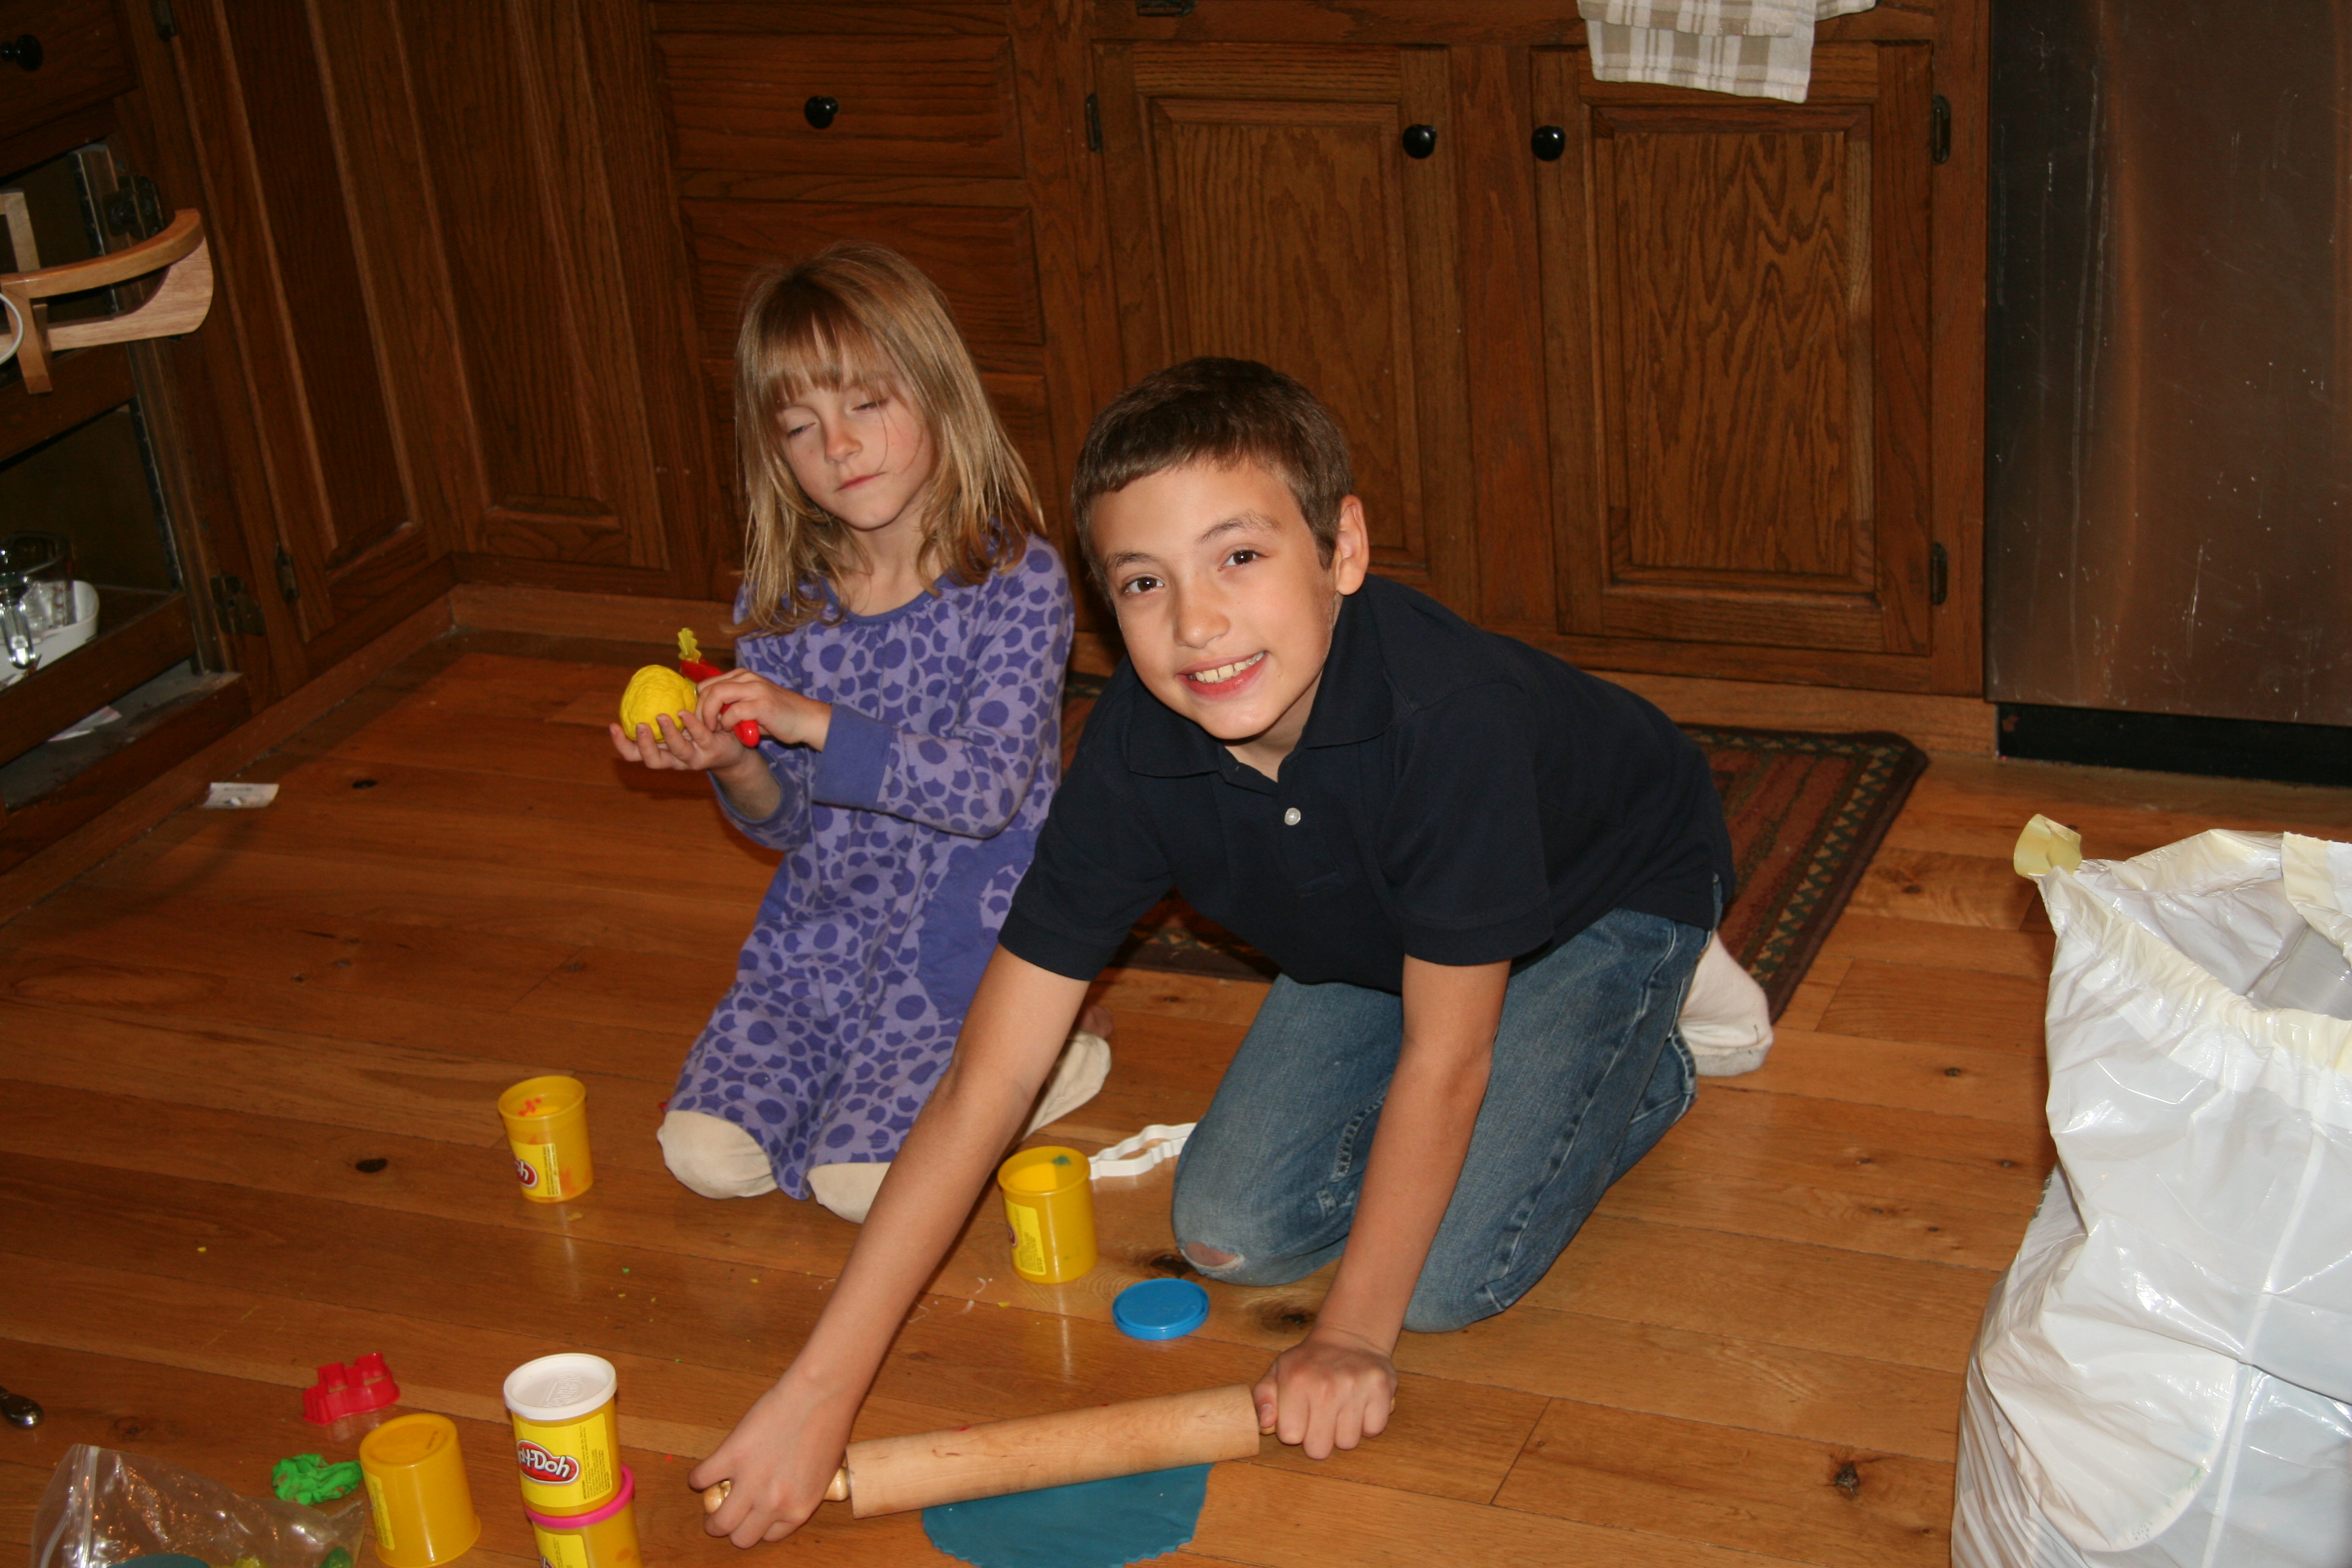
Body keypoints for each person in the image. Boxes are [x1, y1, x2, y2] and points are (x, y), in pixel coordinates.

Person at [691, 358, 1739, 1546]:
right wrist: (815, 1394)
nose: (1196, 623)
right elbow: (988, 1077)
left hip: (1605, 895)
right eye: (1145, 582)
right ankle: (1518, 1016)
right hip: (1384, 935)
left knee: (1445, 1282)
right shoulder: (1135, 758)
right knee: (1230, 1228)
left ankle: (1643, 1048)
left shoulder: (1448, 723)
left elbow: (1447, 1064)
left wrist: (1350, 1338)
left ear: (1343, 549)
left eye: (1239, 556)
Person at [611, 241, 1107, 1225]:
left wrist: (809, 719)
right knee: (704, 1154)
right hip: (820, 940)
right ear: (776, 453)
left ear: (939, 394)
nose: (838, 446)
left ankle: (1054, 1052)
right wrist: (734, 761)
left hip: (964, 942)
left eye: (867, 404)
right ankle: (887, 1080)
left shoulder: (1015, 581)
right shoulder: (780, 602)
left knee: (860, 1188)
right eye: (801, 427)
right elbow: (786, 823)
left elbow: (986, 791)